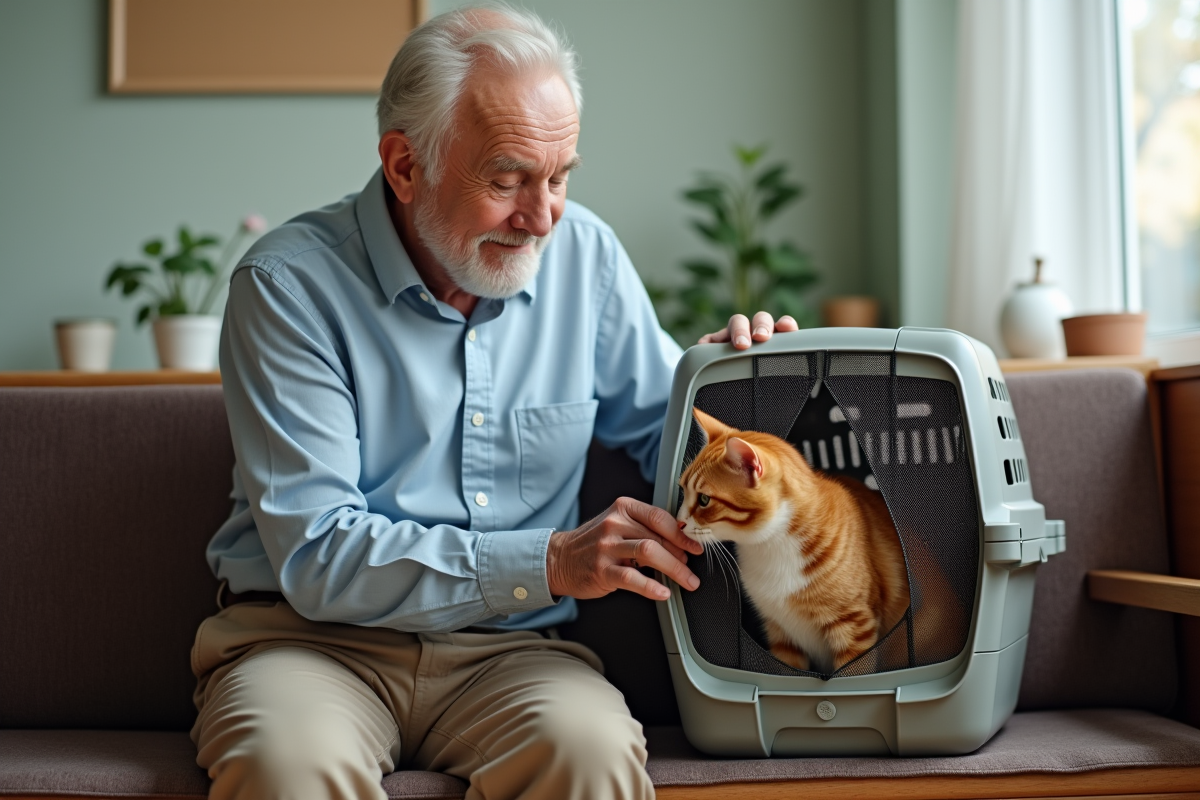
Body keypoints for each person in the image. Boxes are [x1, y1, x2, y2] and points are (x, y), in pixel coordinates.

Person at [190, 6, 797, 800]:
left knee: (592, 755)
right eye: (508, 180)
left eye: (561, 177)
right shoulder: (288, 287)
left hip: (513, 654)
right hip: (307, 645)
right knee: (287, 767)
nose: (542, 216)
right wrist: (549, 561)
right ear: (406, 167)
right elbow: (317, 554)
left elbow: (673, 446)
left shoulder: (587, 259)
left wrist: (744, 391)